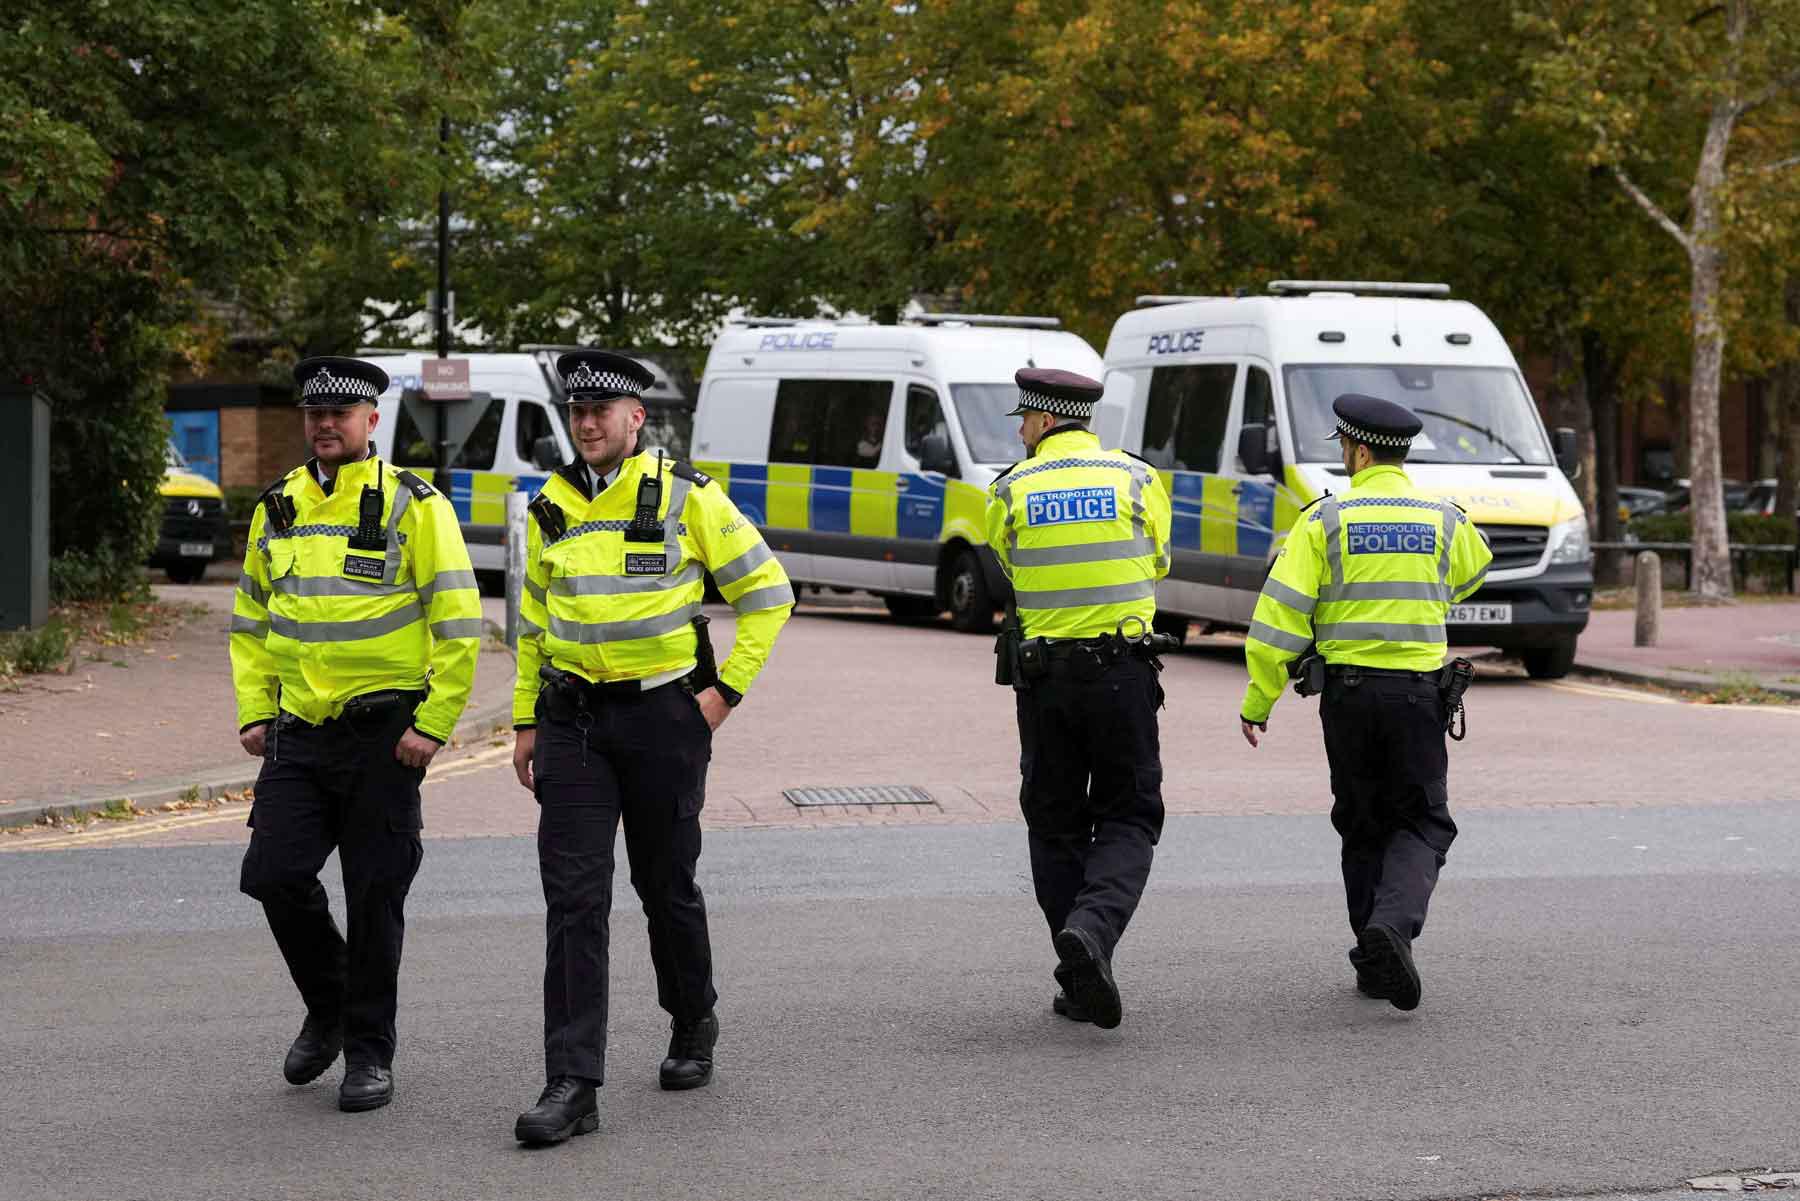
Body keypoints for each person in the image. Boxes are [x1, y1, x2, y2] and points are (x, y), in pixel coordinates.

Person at [509, 349, 795, 1146]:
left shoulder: (686, 495)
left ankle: (692, 1017)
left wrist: (721, 694)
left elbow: (770, 595)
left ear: (638, 417)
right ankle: (572, 1082)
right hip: (572, 724)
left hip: (664, 720)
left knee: (664, 883)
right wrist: (527, 719)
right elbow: (535, 625)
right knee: (574, 899)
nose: (589, 422)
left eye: (604, 409)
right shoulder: (551, 504)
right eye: (578, 410)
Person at [229, 355, 482, 1112]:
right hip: (298, 734)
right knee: (272, 873)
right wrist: (254, 706)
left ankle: (370, 1052)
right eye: (314, 413)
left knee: (376, 897)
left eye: (341, 413)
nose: (324, 424)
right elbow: (250, 623)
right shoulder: (277, 507)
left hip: (384, 736)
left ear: (373, 420)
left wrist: (431, 725)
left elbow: (461, 626)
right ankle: (332, 1004)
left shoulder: (414, 505)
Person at [1238, 392, 1492, 1011]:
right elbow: (1473, 570)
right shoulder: (1444, 517)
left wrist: (1259, 696)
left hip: (1347, 697)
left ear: (1355, 450)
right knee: (1423, 820)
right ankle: (1392, 929)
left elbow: (1281, 613)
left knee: (1361, 821)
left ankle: (1373, 955)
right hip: (1416, 697)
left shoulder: (1323, 518)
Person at [984, 367, 1173, 1031]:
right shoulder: (1137, 478)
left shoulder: (1009, 489)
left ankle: (1078, 961)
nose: (1020, 429)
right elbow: (1157, 561)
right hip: (1123, 672)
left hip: (1046, 681)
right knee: (1129, 812)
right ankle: (1091, 934)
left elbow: (1009, 567)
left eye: (1023, 419)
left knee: (1056, 821)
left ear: (1041, 421)